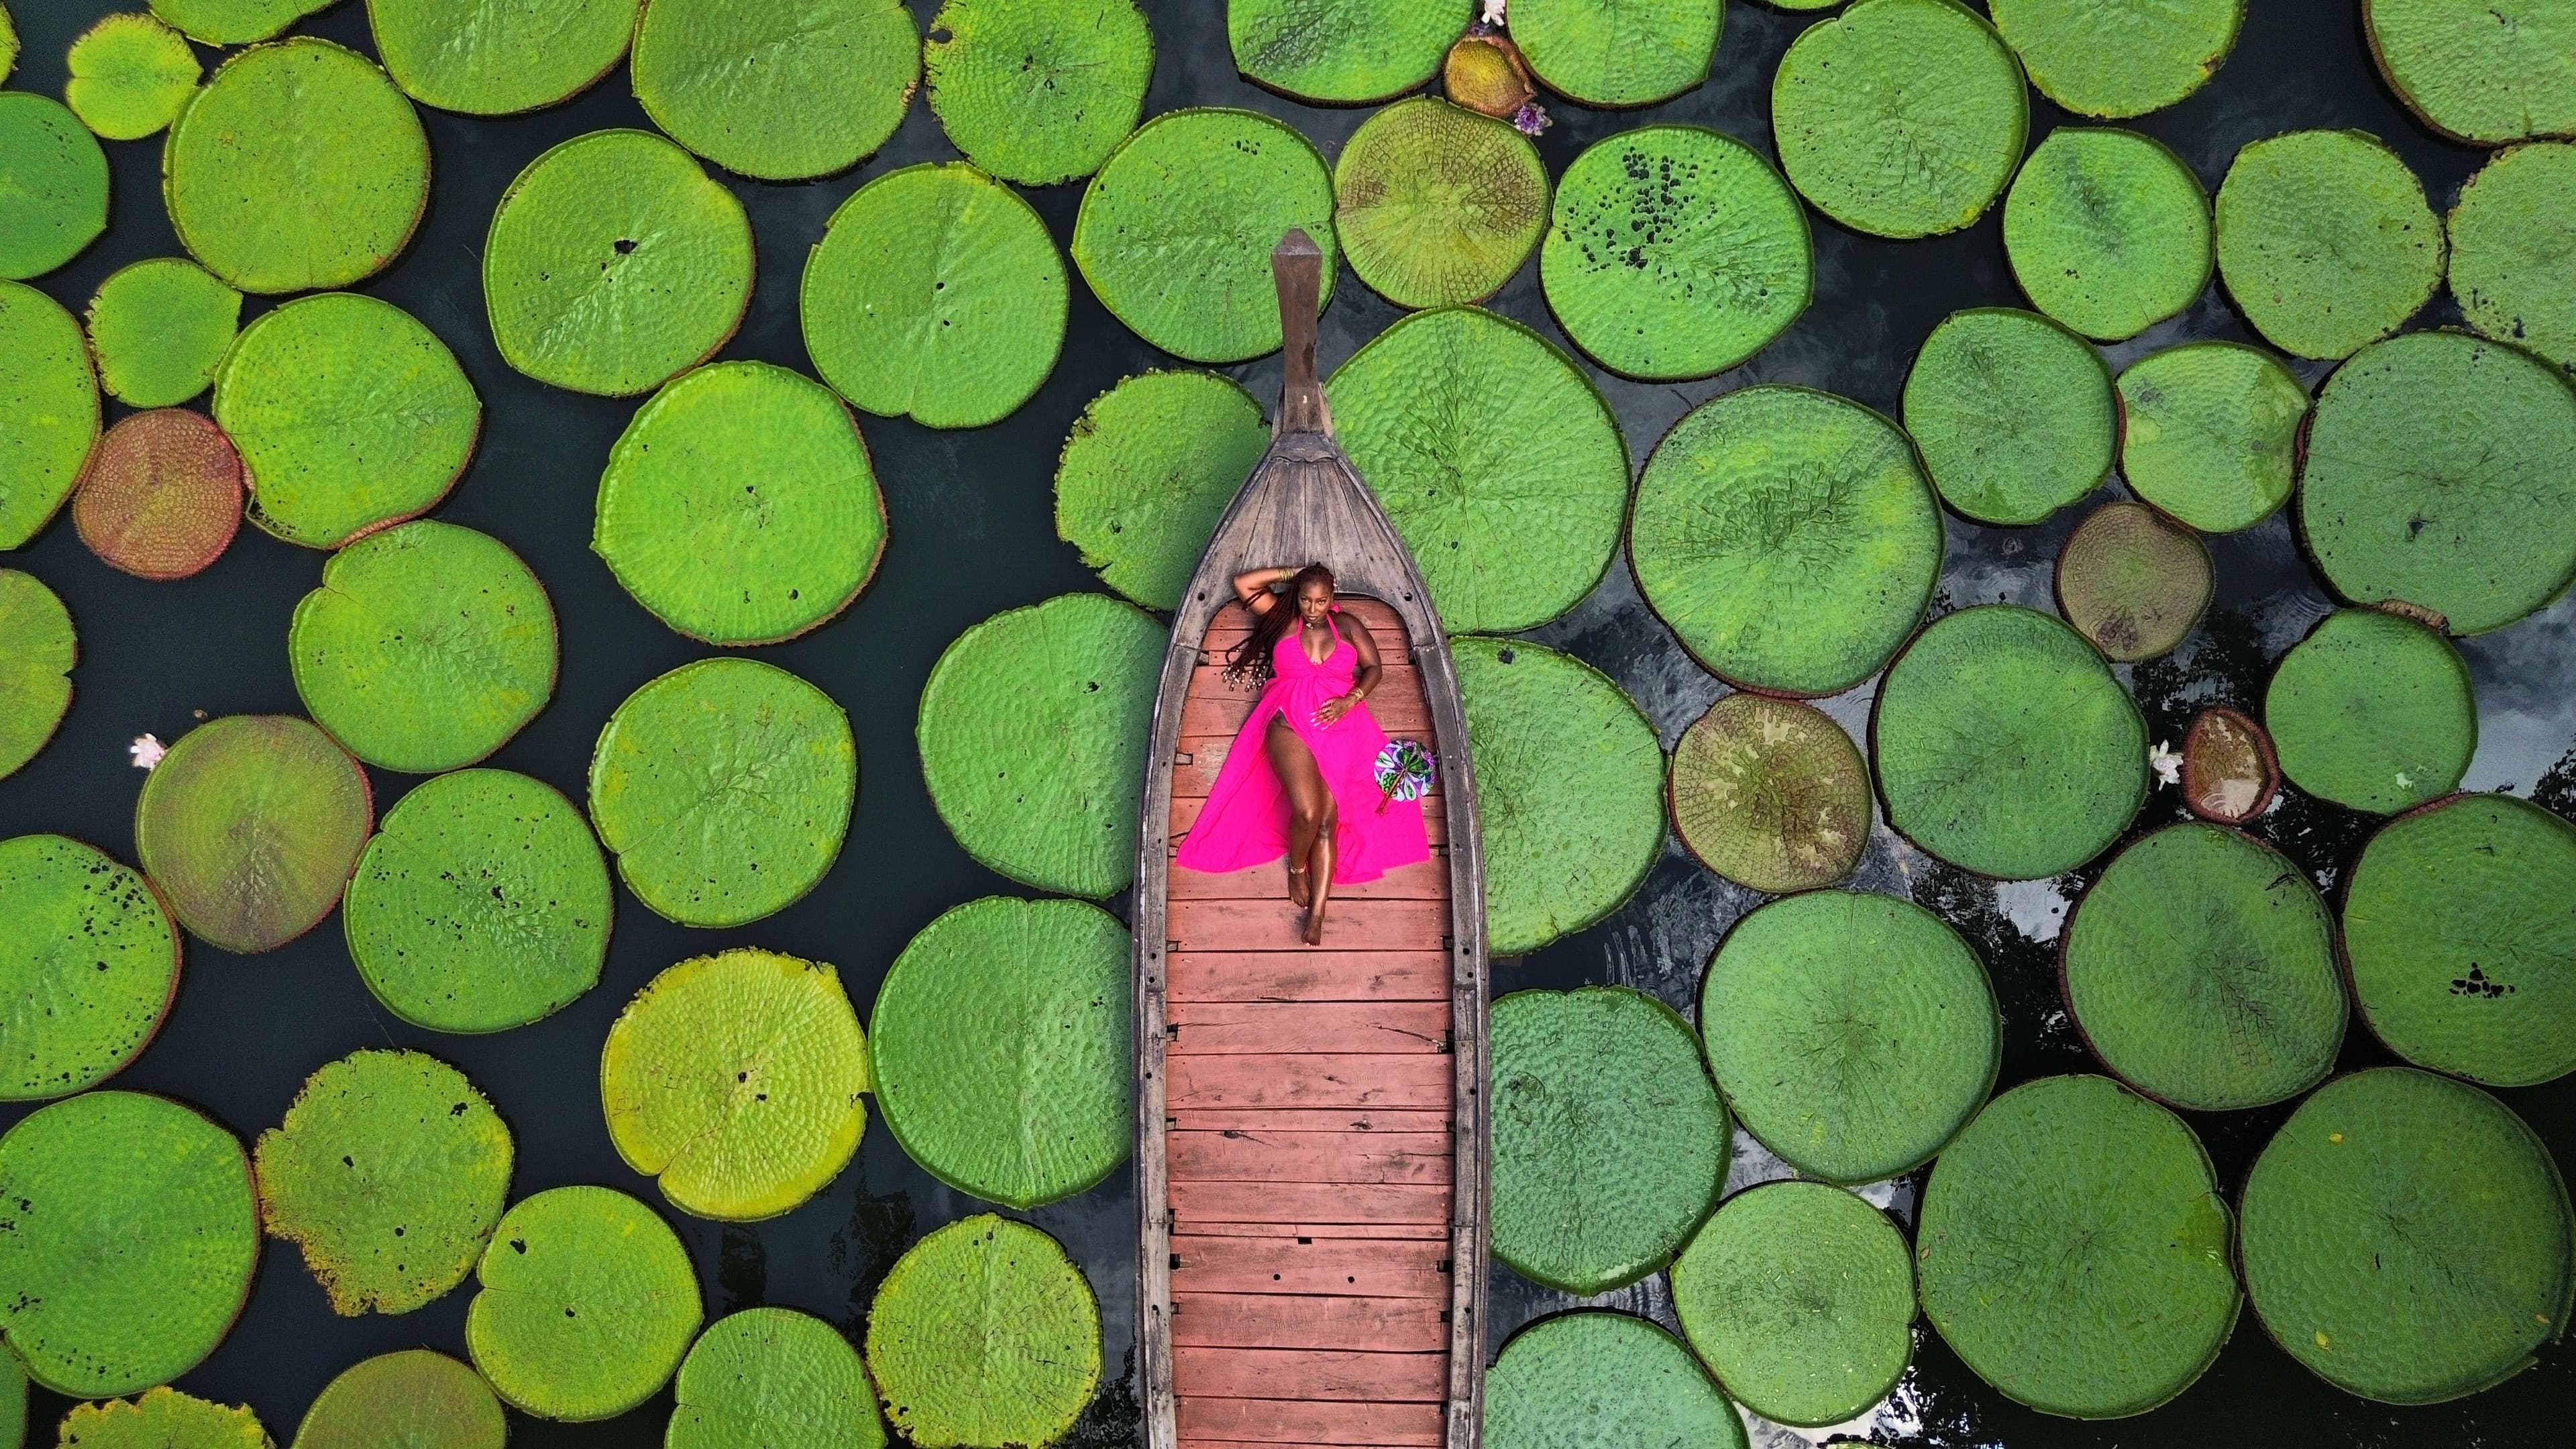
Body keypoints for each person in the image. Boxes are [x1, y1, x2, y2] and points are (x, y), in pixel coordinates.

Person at [1174, 563, 1431, 944]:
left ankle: (1319, 914)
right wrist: (1292, 573)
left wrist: (1351, 699)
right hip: (1288, 725)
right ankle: (1297, 869)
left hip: (1340, 730)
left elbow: (1374, 667)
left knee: (1328, 824)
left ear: (1333, 597)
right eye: (1307, 599)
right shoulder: (1280, 619)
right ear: (1298, 595)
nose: (1313, 608)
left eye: (1321, 600)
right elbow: (1243, 583)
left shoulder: (1348, 627)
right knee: (1307, 812)